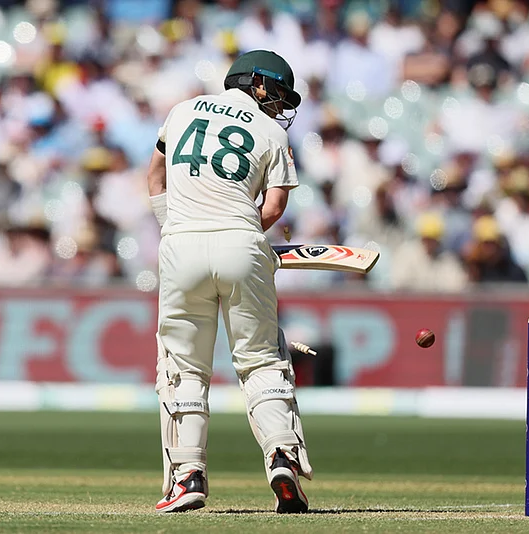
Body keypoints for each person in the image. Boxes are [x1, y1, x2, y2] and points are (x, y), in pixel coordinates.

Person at [145, 50, 312, 514]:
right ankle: (282, 457)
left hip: (179, 246)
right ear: (255, 83)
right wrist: (240, 240)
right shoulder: (272, 132)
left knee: (183, 367)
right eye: (276, 92)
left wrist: (175, 226)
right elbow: (274, 208)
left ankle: (188, 476)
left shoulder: (181, 111)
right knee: (260, 361)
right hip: (242, 242)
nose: (280, 104)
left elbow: (155, 176)